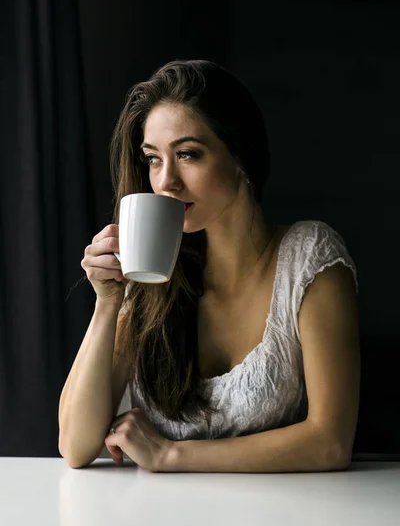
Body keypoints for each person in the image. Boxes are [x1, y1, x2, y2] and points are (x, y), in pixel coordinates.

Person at [58, 59, 360, 473]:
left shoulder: (308, 259)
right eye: (153, 159)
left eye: (187, 154)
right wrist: (107, 302)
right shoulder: (152, 273)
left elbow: (330, 442)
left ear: (240, 155)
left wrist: (170, 454)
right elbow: (75, 447)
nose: (165, 181)